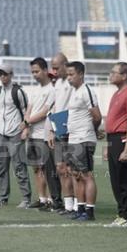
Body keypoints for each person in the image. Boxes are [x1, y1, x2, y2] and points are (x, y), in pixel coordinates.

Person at [104, 62, 127, 228]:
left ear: (124, 75)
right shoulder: (117, 93)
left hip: (123, 139)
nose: (110, 75)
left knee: (124, 180)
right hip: (114, 139)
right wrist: (107, 144)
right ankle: (121, 214)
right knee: (116, 180)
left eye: (114, 72)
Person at [0, 64, 31, 208]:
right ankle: (3, 197)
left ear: (11, 75)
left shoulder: (18, 91)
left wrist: (25, 128)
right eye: (0, 74)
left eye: (5, 74)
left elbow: (26, 111)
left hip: (16, 134)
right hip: (1, 133)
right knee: (1, 166)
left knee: (19, 166)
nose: (2, 77)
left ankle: (26, 199)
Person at [64, 61, 100, 221]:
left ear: (81, 74)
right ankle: (80, 208)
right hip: (74, 139)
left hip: (83, 138)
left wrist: (92, 130)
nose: (69, 78)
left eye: (71, 74)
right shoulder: (75, 91)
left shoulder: (87, 90)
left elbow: (97, 115)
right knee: (76, 174)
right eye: (68, 75)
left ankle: (89, 211)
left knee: (86, 175)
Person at [22, 58, 56, 210]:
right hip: (32, 135)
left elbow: (44, 113)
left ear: (44, 70)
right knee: (36, 168)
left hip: (44, 134)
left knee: (46, 169)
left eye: (36, 71)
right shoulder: (35, 90)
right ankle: (42, 199)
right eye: (32, 72)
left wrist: (26, 123)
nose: (34, 75)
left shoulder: (52, 90)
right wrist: (26, 126)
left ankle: (51, 199)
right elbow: (29, 109)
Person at [48, 53, 74, 215]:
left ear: (65, 64)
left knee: (72, 170)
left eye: (57, 68)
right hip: (58, 130)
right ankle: (68, 205)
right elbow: (55, 108)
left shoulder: (72, 84)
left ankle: (77, 205)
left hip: (70, 132)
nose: (55, 71)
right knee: (60, 168)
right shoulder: (57, 83)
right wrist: (51, 129)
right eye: (53, 68)